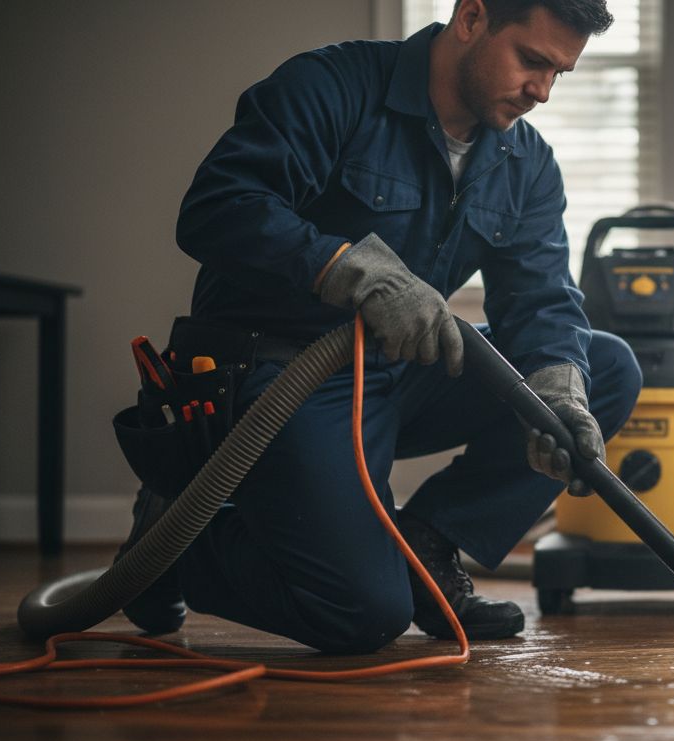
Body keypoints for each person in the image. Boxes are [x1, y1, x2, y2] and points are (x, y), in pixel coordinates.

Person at [115, 0, 641, 653]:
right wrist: (347, 270)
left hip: (392, 373)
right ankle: (172, 542)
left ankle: (427, 551)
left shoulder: (524, 163)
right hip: (281, 378)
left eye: (559, 73)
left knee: (604, 367)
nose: (541, 92)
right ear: (472, 17)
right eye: (532, 61)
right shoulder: (332, 86)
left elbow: (540, 300)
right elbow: (217, 208)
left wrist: (559, 392)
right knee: (361, 613)